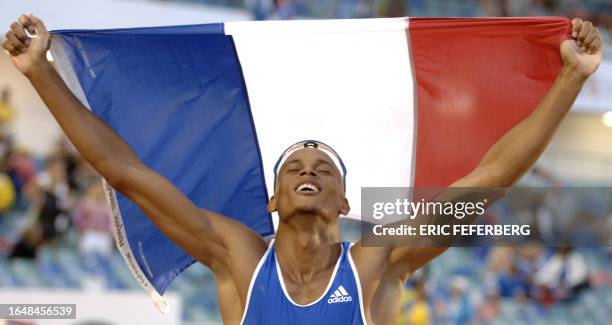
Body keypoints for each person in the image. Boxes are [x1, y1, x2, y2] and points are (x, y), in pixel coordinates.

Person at [2, 14, 602, 324]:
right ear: (271, 200)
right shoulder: (238, 258)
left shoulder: (377, 262)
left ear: (345, 202)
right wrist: (41, 72)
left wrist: (571, 77)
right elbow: (126, 171)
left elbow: (488, 181)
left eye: (323, 168)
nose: (307, 170)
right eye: (293, 167)